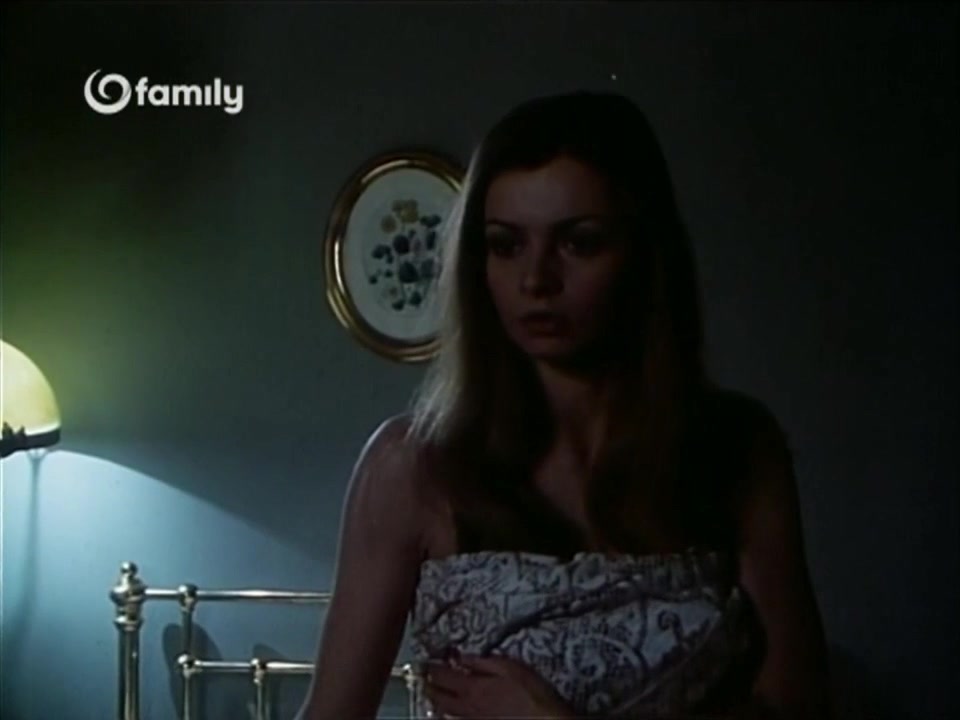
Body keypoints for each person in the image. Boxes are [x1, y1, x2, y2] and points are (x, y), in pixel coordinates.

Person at [296, 91, 831, 720]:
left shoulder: (736, 450)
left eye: (579, 243)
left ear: (644, 253)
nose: (536, 281)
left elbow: (799, 710)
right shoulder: (414, 467)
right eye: (506, 245)